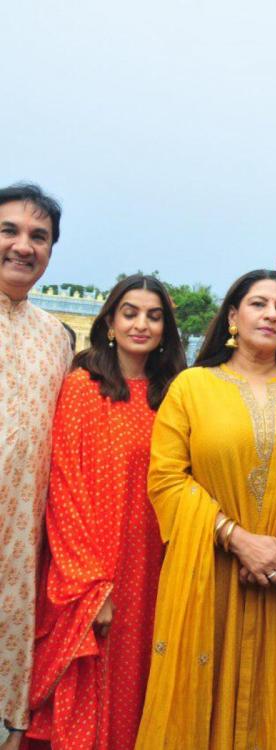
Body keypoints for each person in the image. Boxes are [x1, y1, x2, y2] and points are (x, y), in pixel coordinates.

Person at [135, 270, 276, 750]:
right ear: (234, 316)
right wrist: (237, 539)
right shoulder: (191, 387)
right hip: (210, 570)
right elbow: (168, 478)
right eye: (259, 304)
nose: (272, 315)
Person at [24, 275, 186, 750]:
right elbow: (64, 488)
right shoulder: (82, 386)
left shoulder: (173, 395)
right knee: (92, 684)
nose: (142, 324)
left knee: (143, 683)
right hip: (96, 570)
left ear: (166, 328)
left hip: (155, 568)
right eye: (130, 313)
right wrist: (92, 588)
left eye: (154, 316)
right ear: (111, 322)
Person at [0, 184, 72, 750]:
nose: (24, 246)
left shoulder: (56, 338)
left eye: (39, 237)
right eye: (10, 231)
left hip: (22, 549)